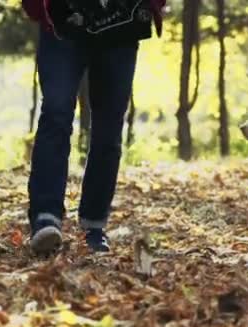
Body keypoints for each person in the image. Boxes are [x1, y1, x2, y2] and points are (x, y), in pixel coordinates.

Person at [21, 0, 166, 253]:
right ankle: (45, 217)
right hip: (61, 18)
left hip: (122, 20)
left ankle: (94, 224)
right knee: (56, 112)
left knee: (109, 128)